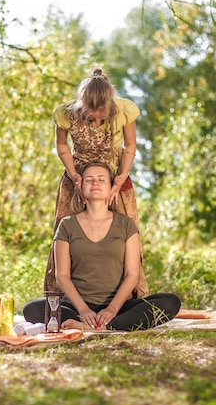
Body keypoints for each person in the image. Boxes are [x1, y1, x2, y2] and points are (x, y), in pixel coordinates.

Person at [24, 162, 181, 331]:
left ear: (111, 188)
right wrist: (84, 310)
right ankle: (97, 324)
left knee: (170, 302)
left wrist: (112, 309)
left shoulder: (126, 224)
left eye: (101, 179)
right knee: (32, 309)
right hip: (77, 307)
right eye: (89, 180)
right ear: (81, 187)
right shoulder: (67, 225)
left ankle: (104, 327)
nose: (95, 183)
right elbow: (62, 276)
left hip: (118, 307)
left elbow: (132, 274)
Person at [44, 68, 148, 300]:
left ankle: (128, 298)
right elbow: (62, 146)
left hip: (114, 178)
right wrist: (74, 175)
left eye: (103, 118)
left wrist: (120, 177)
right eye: (92, 118)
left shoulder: (124, 111)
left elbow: (129, 146)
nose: (98, 121)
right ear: (81, 107)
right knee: (67, 234)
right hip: (78, 180)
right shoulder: (66, 114)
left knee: (126, 233)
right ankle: (61, 301)